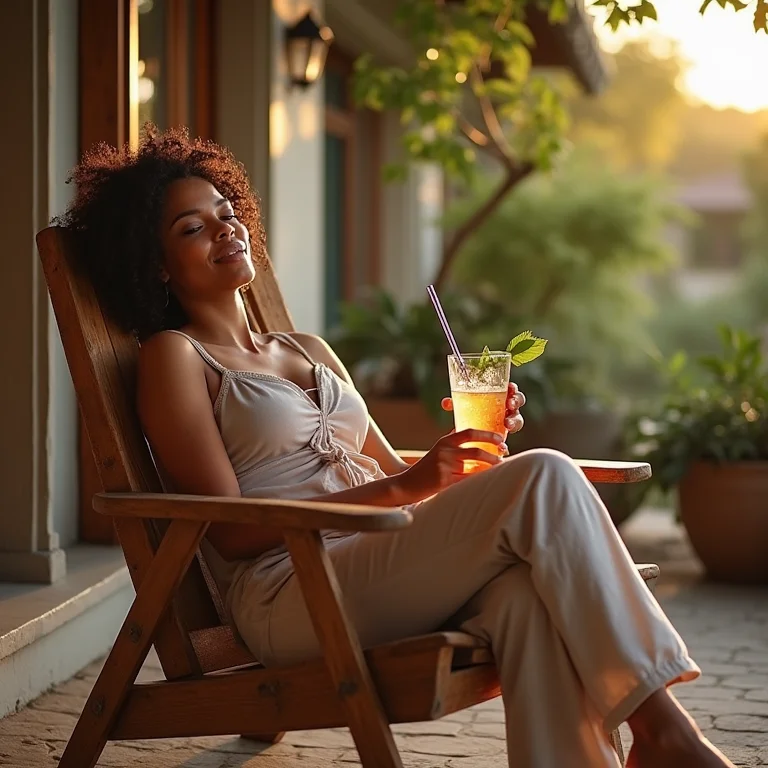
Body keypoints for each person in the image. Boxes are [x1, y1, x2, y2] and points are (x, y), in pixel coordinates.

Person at [55, 126, 734, 768]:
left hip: (373, 565)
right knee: (546, 476)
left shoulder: (307, 349)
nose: (223, 228)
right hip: (294, 590)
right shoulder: (176, 358)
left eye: (225, 211)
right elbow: (230, 534)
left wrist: (460, 454)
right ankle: (664, 730)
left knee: (525, 597)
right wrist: (417, 487)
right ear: (159, 267)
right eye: (191, 228)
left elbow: (391, 470)